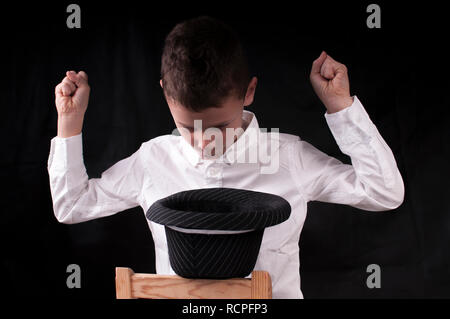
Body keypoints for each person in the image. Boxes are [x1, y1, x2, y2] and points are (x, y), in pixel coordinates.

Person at [48, 16, 404, 298]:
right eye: (188, 127)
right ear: (165, 94)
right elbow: (72, 205)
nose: (204, 142)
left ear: (249, 92)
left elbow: (383, 192)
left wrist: (340, 107)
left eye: (219, 125)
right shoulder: (152, 160)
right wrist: (69, 121)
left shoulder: (287, 156)